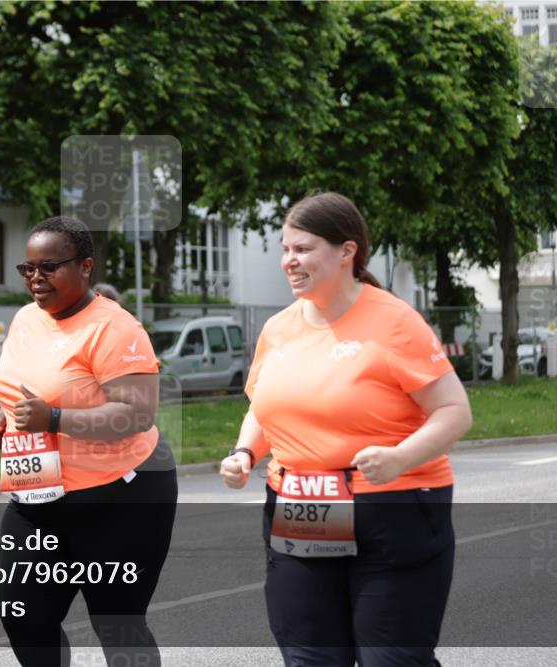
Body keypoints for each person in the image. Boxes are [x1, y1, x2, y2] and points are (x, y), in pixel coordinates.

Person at [219, 192, 472, 667]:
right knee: (311, 657)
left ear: (346, 251)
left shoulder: (395, 322)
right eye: (285, 249)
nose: (289, 261)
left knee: (391, 660)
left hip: (395, 506)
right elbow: (265, 406)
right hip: (301, 505)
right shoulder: (278, 328)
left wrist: (399, 457)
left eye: (303, 249)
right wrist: (244, 453)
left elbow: (454, 411)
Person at [0, 216, 178, 666]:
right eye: (28, 268)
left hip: (121, 497)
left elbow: (136, 414)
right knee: (25, 617)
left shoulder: (114, 327)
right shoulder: (25, 320)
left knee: (118, 622)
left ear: (86, 266)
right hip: (37, 492)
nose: (36, 277)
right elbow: (23, 392)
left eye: (49, 267)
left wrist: (53, 418)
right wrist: (4, 422)